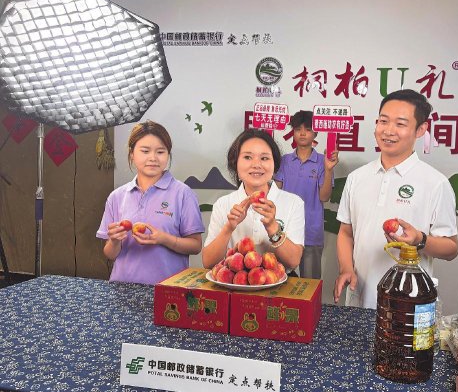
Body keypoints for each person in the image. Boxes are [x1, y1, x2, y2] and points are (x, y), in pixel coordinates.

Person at [334, 89, 458, 308]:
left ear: (421, 129)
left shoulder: (435, 183)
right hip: (359, 298)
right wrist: (346, 269)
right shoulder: (357, 178)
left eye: (400, 124)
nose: (388, 131)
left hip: (407, 304)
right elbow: (346, 232)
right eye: (383, 121)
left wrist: (420, 240)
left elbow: (451, 248)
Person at [97, 121, 204, 285]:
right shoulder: (117, 196)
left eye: (160, 152)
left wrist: (164, 239)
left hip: (168, 290)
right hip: (122, 288)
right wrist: (114, 241)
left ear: (168, 154)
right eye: (145, 151)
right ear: (132, 154)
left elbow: (196, 246)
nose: (153, 158)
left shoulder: (183, 193)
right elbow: (110, 254)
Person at [202, 128, 304, 271]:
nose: (256, 164)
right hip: (233, 282)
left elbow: (293, 262)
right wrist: (229, 228)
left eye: (264, 158)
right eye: (248, 157)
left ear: (274, 165)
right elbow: (208, 263)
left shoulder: (294, 203)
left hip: (280, 282)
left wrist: (273, 228)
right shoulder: (222, 204)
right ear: (235, 164)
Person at [274, 110, 338, 279]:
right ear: (293, 132)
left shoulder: (323, 161)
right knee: (280, 281)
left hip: (311, 231)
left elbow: (324, 197)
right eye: (298, 129)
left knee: (310, 284)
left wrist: (329, 170)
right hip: (284, 232)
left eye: (308, 129)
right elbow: (275, 194)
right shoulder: (284, 161)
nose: (302, 133)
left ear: (315, 133)